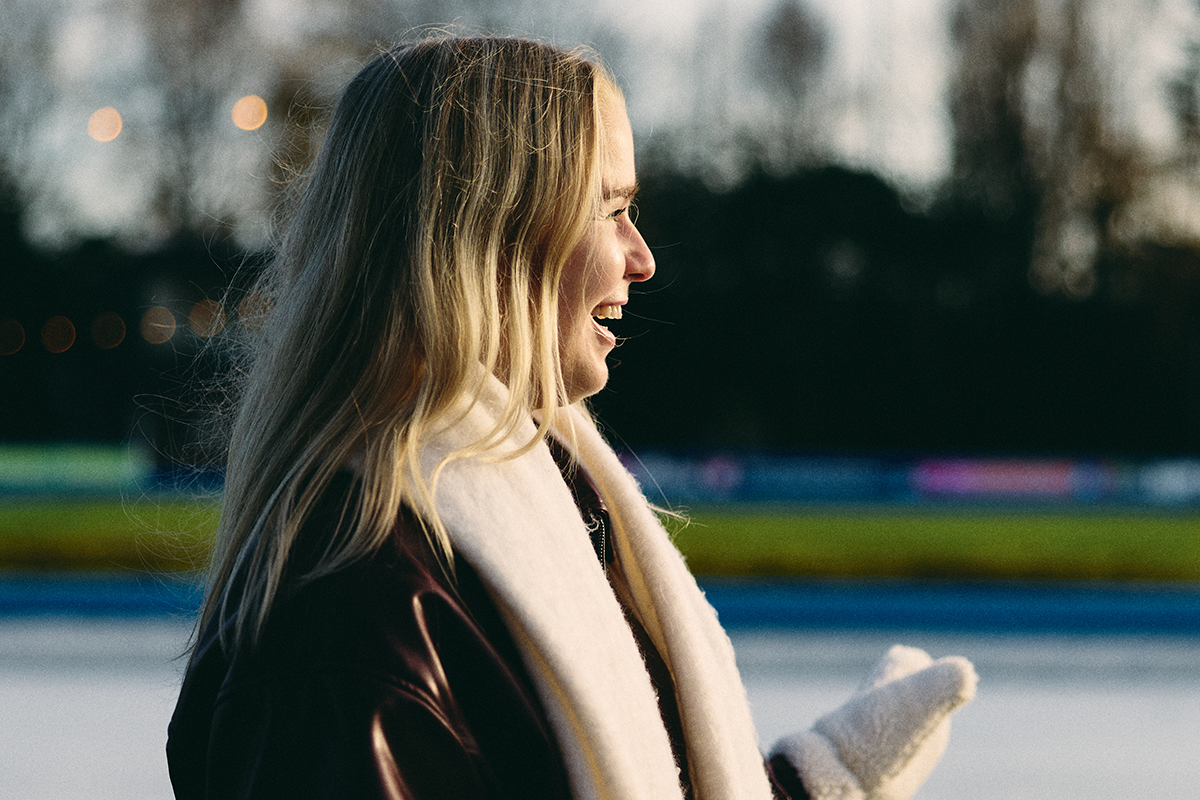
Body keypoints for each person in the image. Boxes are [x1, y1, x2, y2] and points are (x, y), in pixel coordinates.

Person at [167, 35, 977, 800]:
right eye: (610, 207)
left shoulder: (547, 504)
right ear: (487, 232)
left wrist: (819, 779)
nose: (643, 257)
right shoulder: (352, 616)